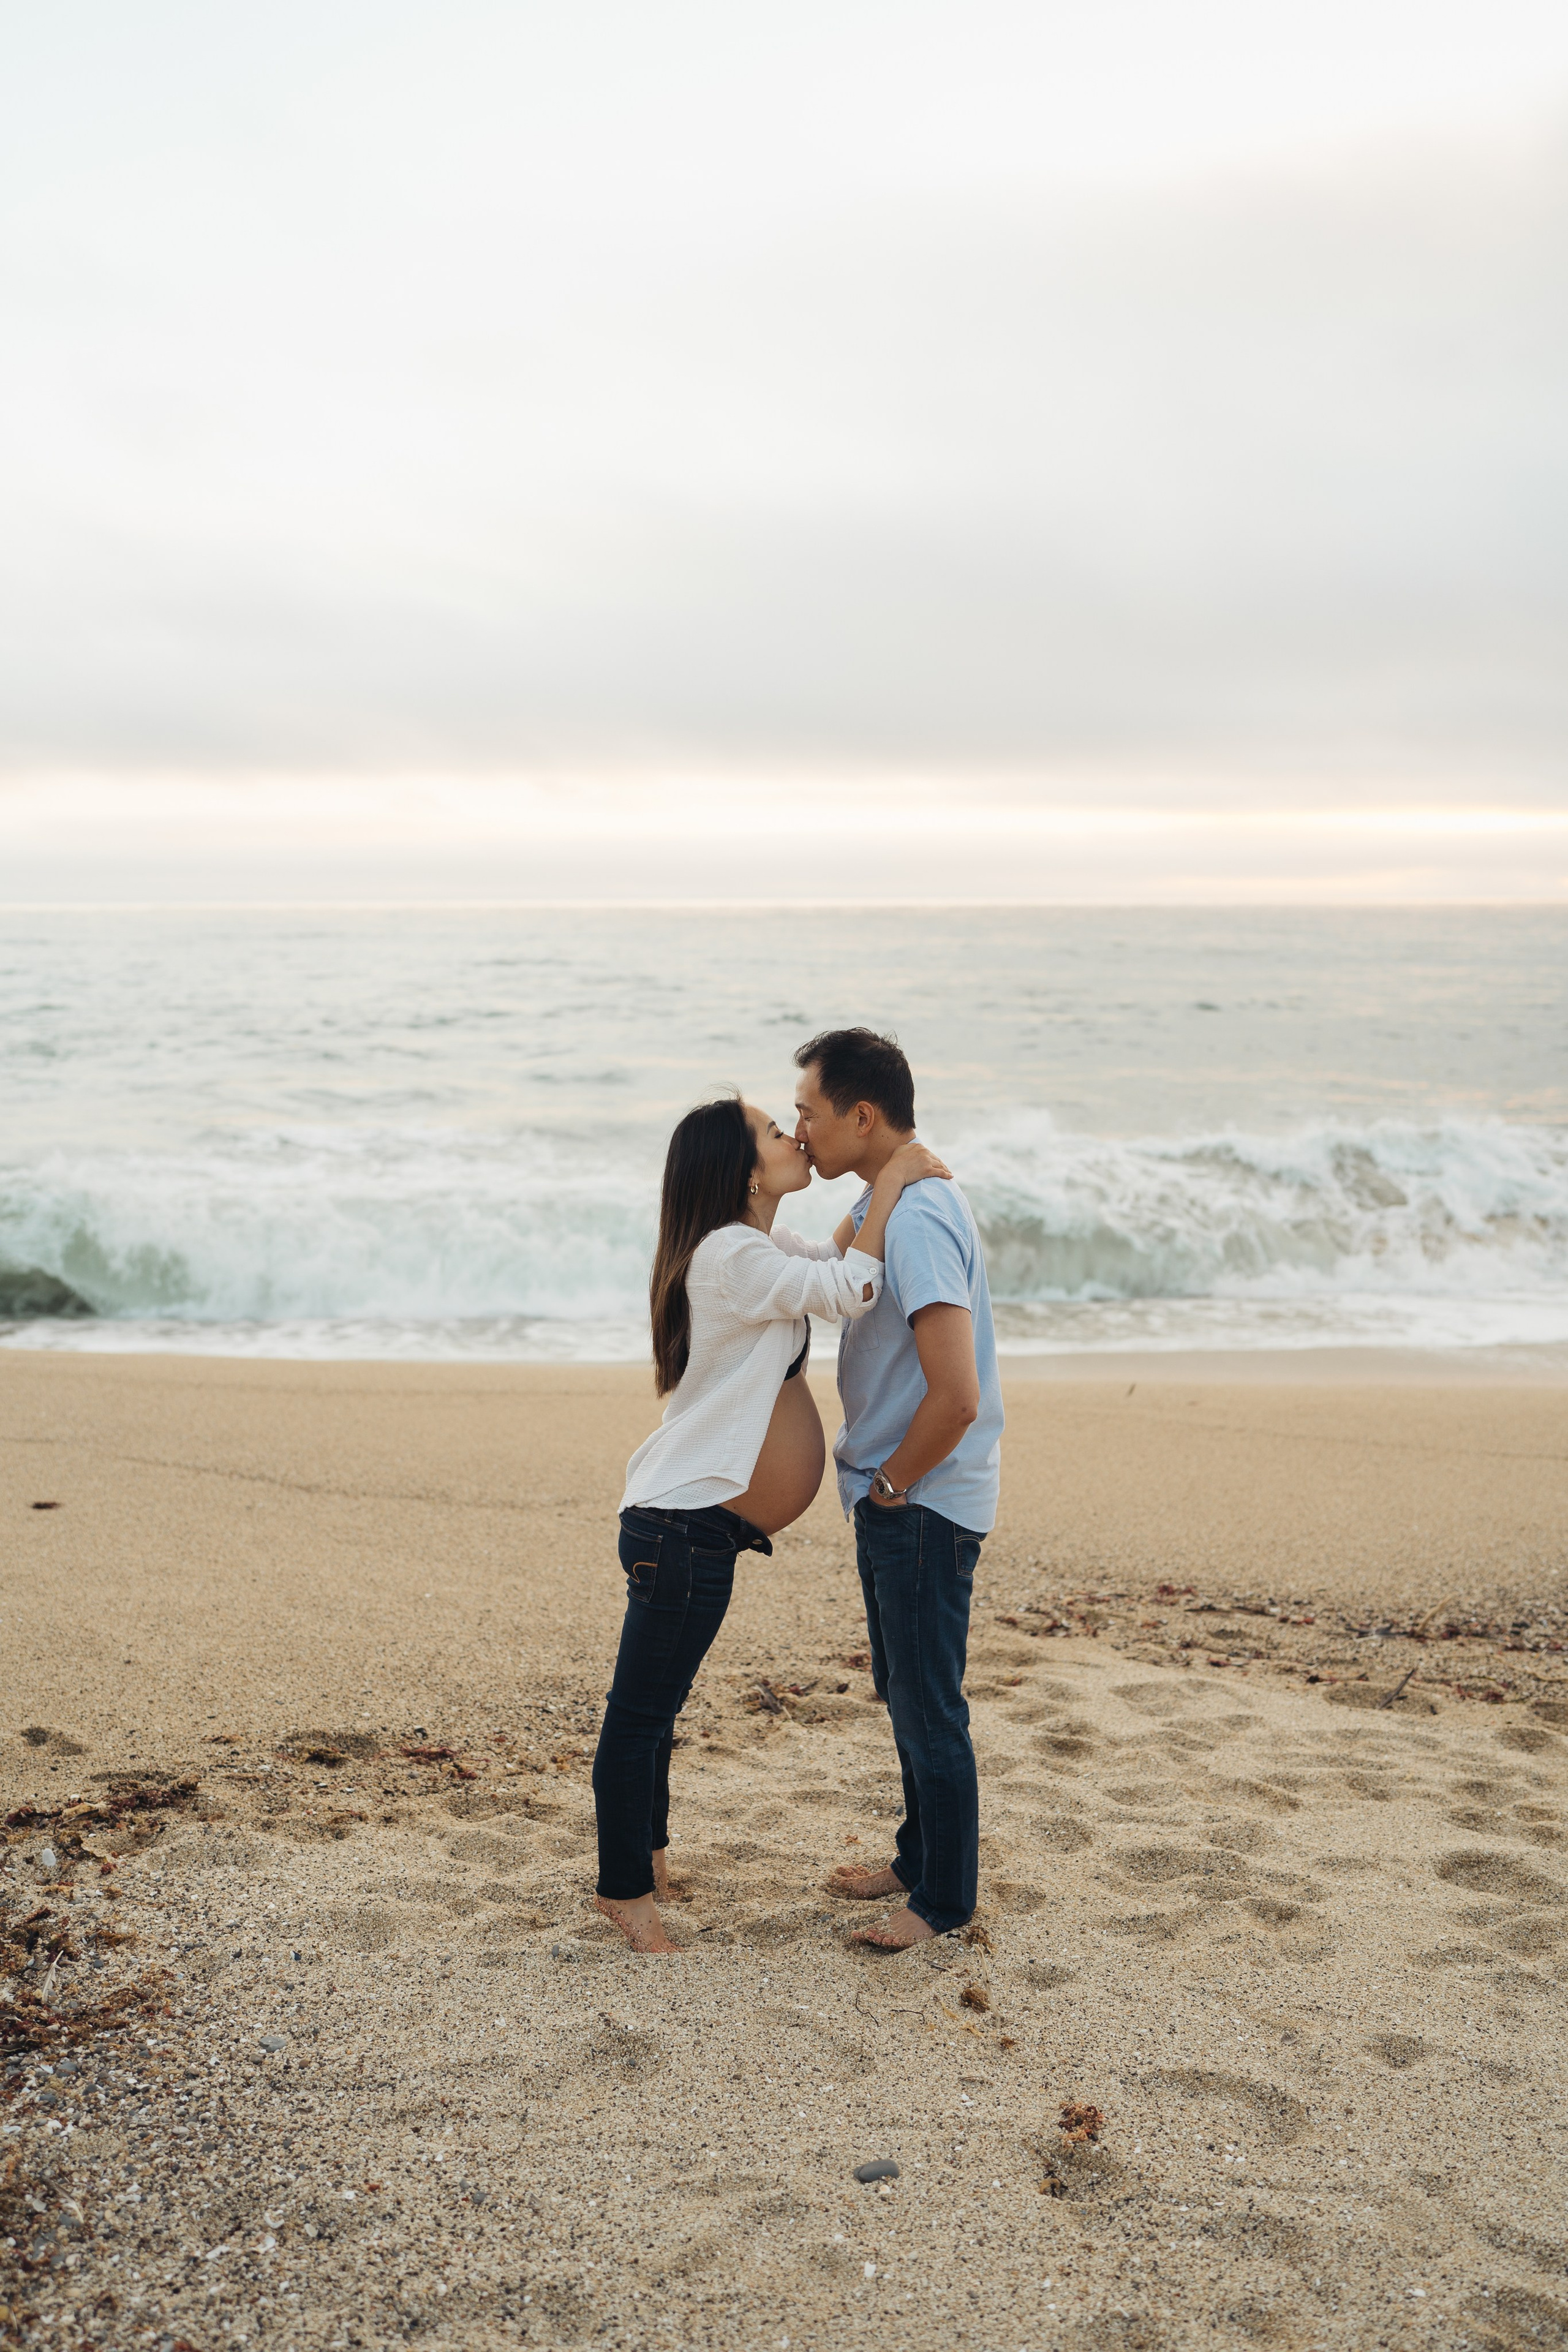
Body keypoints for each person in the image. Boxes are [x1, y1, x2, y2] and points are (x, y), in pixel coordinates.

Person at [592, 1093, 949, 1954]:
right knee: (639, 1714)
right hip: (680, 1530)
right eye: (772, 1130)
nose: (792, 1135)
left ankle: (649, 1855)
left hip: (696, 1531)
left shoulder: (753, 1248)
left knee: (660, 1704)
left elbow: (829, 1257)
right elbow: (852, 1287)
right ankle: (624, 1893)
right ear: (741, 1167)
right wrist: (896, 1178)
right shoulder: (729, 1254)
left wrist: (873, 1187)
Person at [793, 1028, 1004, 1948]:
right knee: (908, 1689)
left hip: (920, 1500)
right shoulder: (905, 1198)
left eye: (808, 1111)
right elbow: (833, 1275)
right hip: (906, 1497)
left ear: (861, 1115)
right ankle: (919, 1861)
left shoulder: (918, 1218)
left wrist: (891, 1484)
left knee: (928, 1703)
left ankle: (943, 1903)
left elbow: (957, 1396)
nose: (799, 1129)